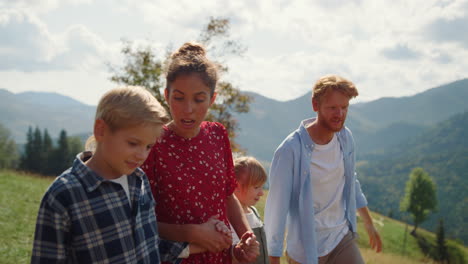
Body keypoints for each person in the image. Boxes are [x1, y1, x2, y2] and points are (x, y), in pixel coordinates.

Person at [31, 86, 188, 263]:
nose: (142, 155)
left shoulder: (139, 180)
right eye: (133, 143)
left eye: (148, 146)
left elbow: (147, 245)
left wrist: (207, 242)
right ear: (101, 130)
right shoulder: (63, 196)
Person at [142, 42, 259, 264]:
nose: (188, 109)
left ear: (212, 99)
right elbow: (143, 221)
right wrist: (192, 233)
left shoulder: (217, 134)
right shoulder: (153, 144)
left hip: (219, 257)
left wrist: (245, 235)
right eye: (179, 98)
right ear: (166, 95)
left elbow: (227, 195)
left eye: (198, 99)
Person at [264, 75, 382, 264]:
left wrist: (369, 223)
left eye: (344, 107)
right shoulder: (290, 150)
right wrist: (274, 258)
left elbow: (350, 180)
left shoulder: (345, 138)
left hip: (341, 237)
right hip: (305, 249)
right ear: (315, 105)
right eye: (333, 108)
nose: (340, 114)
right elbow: (276, 209)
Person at [231, 156, 270, 264]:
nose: (261, 193)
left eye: (262, 187)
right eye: (256, 187)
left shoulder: (254, 212)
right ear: (236, 185)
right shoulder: (229, 221)